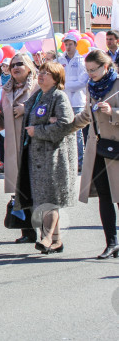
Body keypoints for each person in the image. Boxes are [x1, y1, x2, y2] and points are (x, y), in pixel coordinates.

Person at [16, 61, 77, 254]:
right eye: (40, 72)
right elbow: (28, 111)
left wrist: (39, 130)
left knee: (49, 199)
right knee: (42, 199)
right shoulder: (38, 96)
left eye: (46, 73)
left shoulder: (59, 97)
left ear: (56, 77)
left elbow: (66, 124)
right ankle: (56, 241)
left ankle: (47, 237)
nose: (41, 76)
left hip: (52, 157)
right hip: (35, 157)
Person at [70, 50, 119, 259]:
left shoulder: (117, 84)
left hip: (116, 147)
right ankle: (111, 243)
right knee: (105, 196)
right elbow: (87, 115)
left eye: (94, 70)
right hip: (97, 148)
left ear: (105, 66)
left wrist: (113, 112)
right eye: (87, 71)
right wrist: (67, 126)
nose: (90, 74)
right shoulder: (91, 87)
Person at [0, 52, 39, 243]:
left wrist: (27, 109)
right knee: (19, 188)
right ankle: (26, 231)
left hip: (32, 145)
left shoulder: (37, 86)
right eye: (13, 64)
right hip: (12, 145)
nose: (15, 67)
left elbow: (48, 111)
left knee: (35, 187)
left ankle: (46, 232)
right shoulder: (6, 90)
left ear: (30, 66)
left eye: (20, 64)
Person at [58, 33, 88, 170]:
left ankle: (80, 161)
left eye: (71, 44)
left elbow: (82, 82)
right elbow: (58, 79)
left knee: (77, 134)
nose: (68, 47)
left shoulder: (81, 61)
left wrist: (66, 85)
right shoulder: (60, 60)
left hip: (77, 102)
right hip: (64, 101)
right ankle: (67, 160)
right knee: (64, 132)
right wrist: (68, 84)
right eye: (66, 44)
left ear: (75, 45)